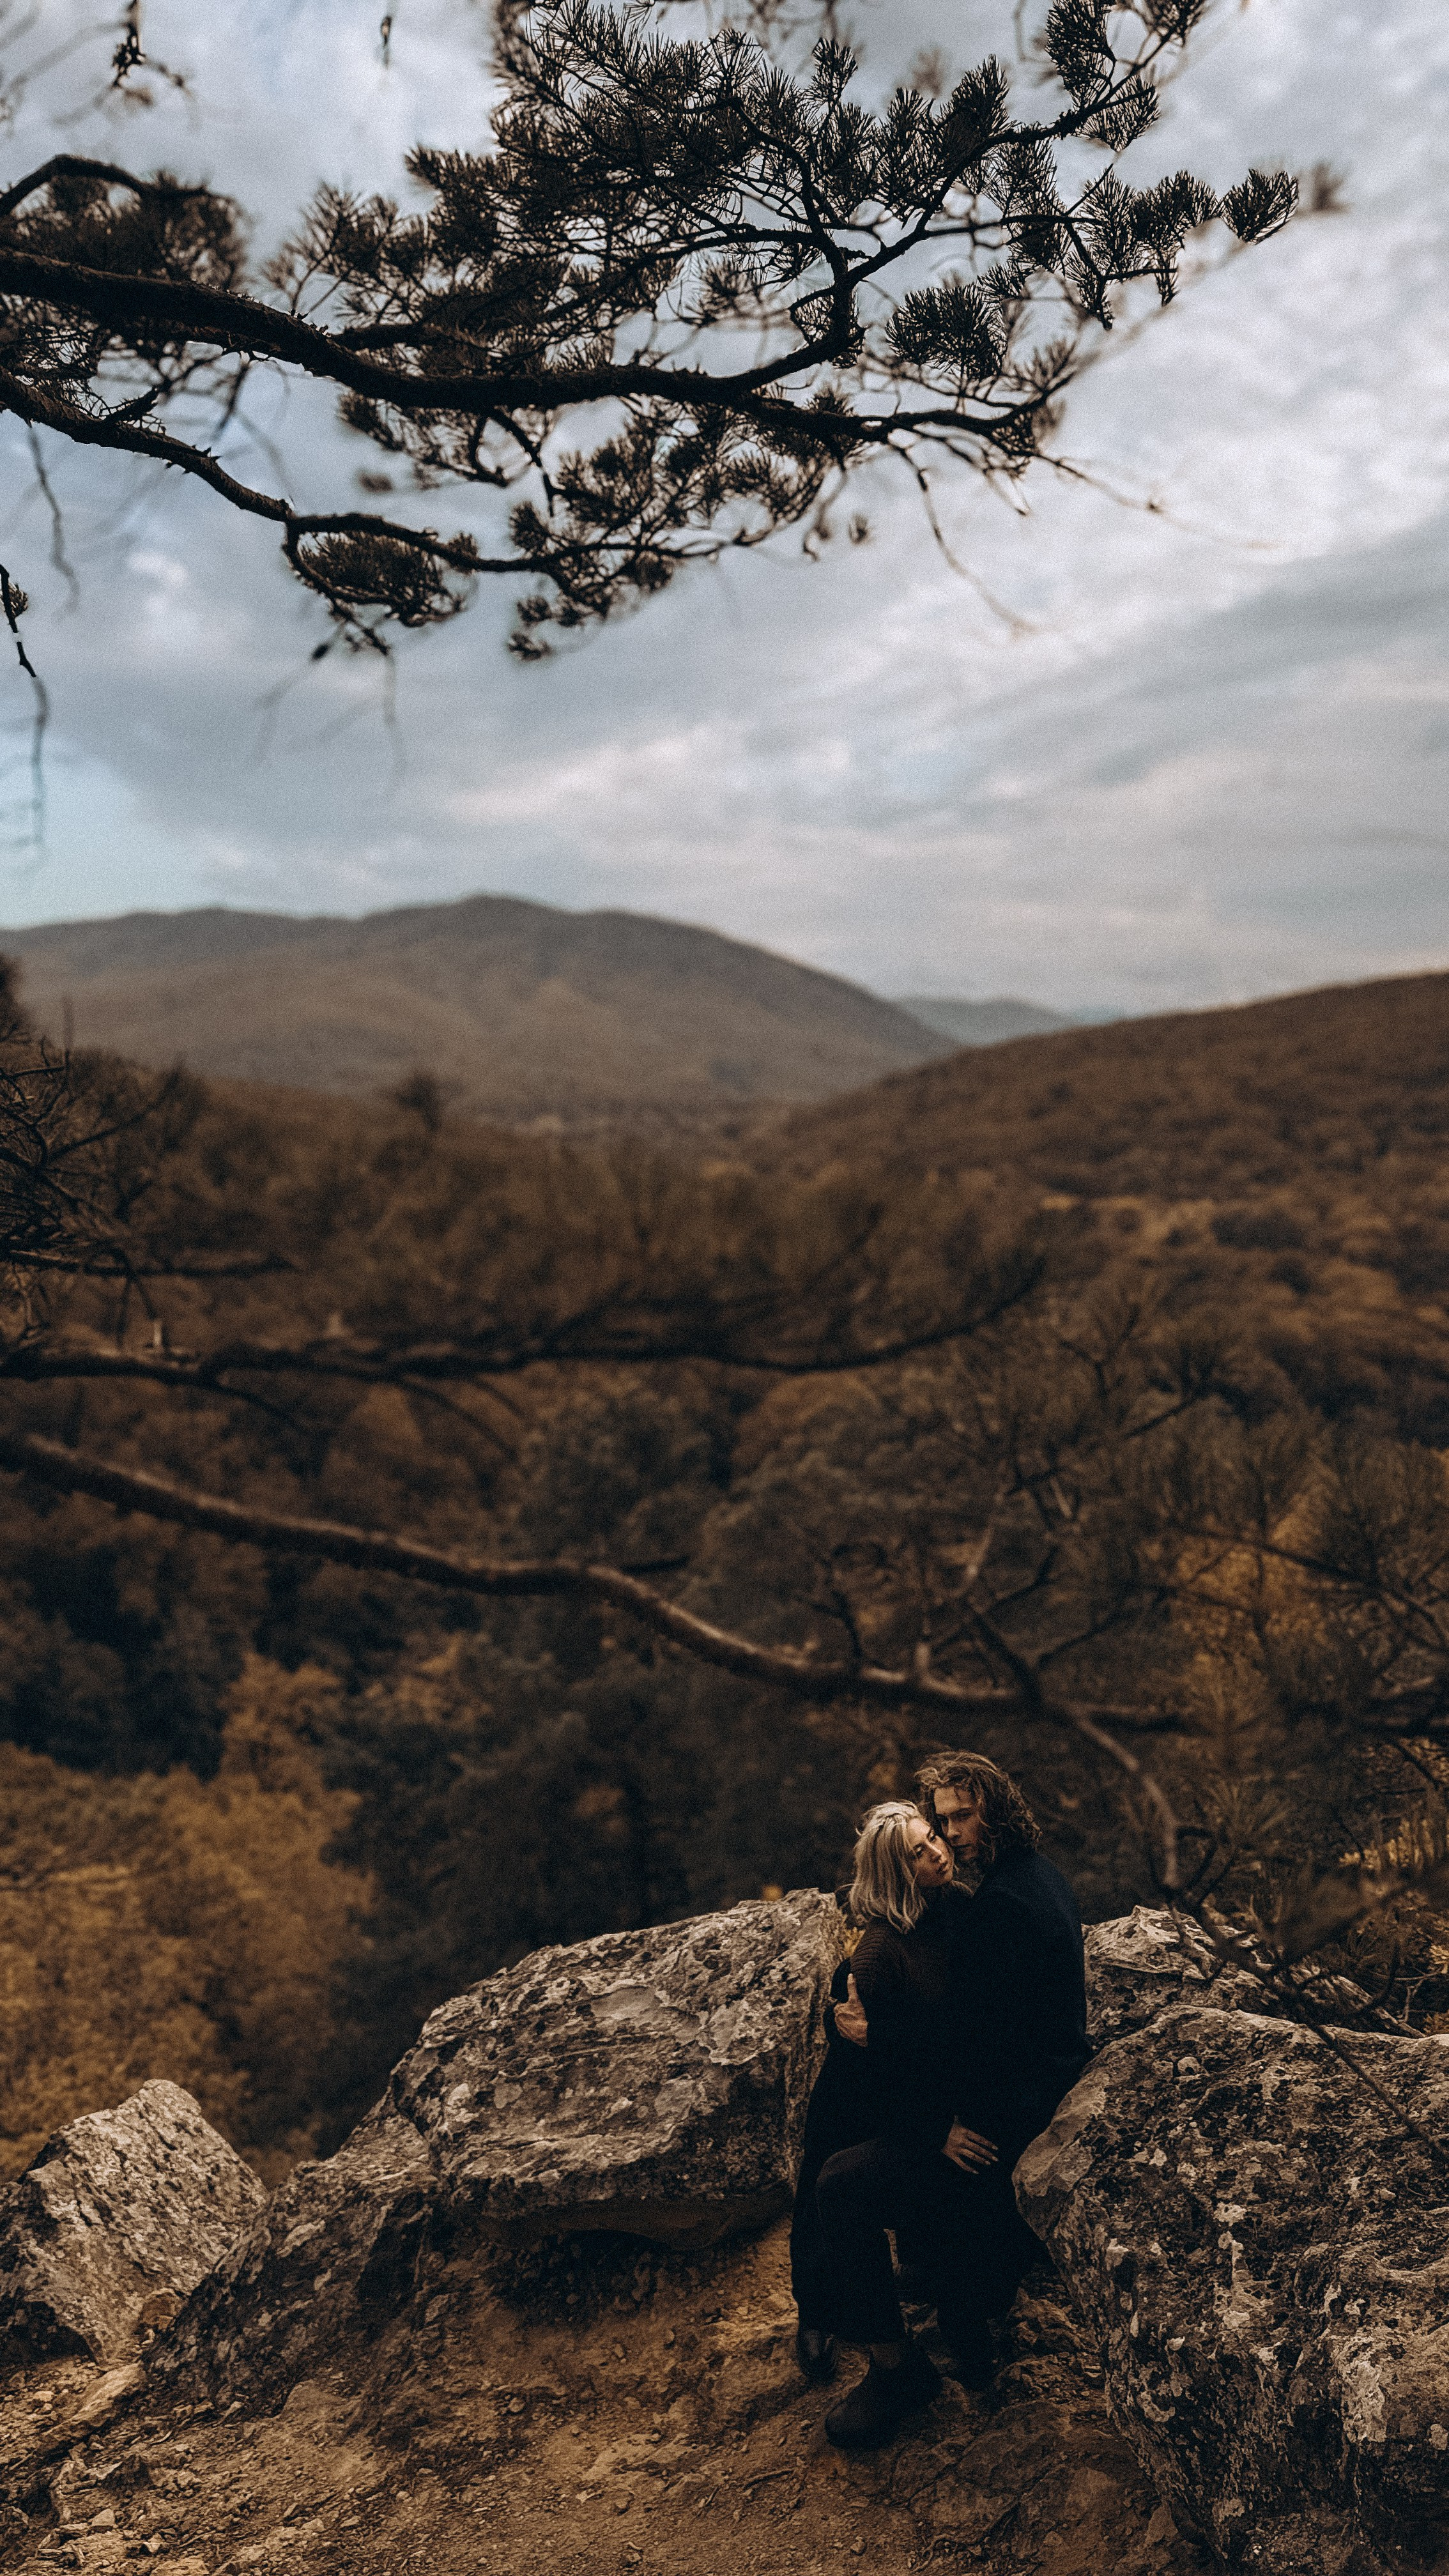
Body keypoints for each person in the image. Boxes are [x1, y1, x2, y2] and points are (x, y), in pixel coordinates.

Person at [815, 1752, 1089, 2451]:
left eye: (958, 1820)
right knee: (837, 2163)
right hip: (990, 2110)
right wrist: (846, 2026)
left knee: (843, 2187)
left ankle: (905, 2360)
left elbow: (965, 2042)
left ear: (996, 1807)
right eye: (935, 1827)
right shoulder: (1012, 1886)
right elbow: (930, 2042)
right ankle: (878, 2329)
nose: (947, 1838)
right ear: (896, 1870)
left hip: (995, 2127)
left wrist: (933, 2122)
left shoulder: (985, 1906)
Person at [788, 1801, 960, 2386]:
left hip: (890, 2069)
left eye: (934, 1835)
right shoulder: (877, 1954)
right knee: (825, 2179)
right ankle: (818, 2314)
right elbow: (889, 2074)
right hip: (854, 2084)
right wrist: (935, 2128)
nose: (937, 1849)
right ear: (896, 1871)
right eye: (919, 1850)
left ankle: (916, 2265)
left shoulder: (950, 1907)